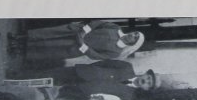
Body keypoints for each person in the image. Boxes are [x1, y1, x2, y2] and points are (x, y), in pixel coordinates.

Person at [12, 20, 145, 70]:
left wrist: (83, 45)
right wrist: (84, 30)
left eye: (135, 38)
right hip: (77, 31)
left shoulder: (116, 51)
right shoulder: (115, 28)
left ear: (132, 44)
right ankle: (18, 38)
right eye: (134, 33)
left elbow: (97, 56)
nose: (132, 35)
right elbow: (98, 23)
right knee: (50, 33)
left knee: (49, 46)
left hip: (76, 46)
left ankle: (18, 49)